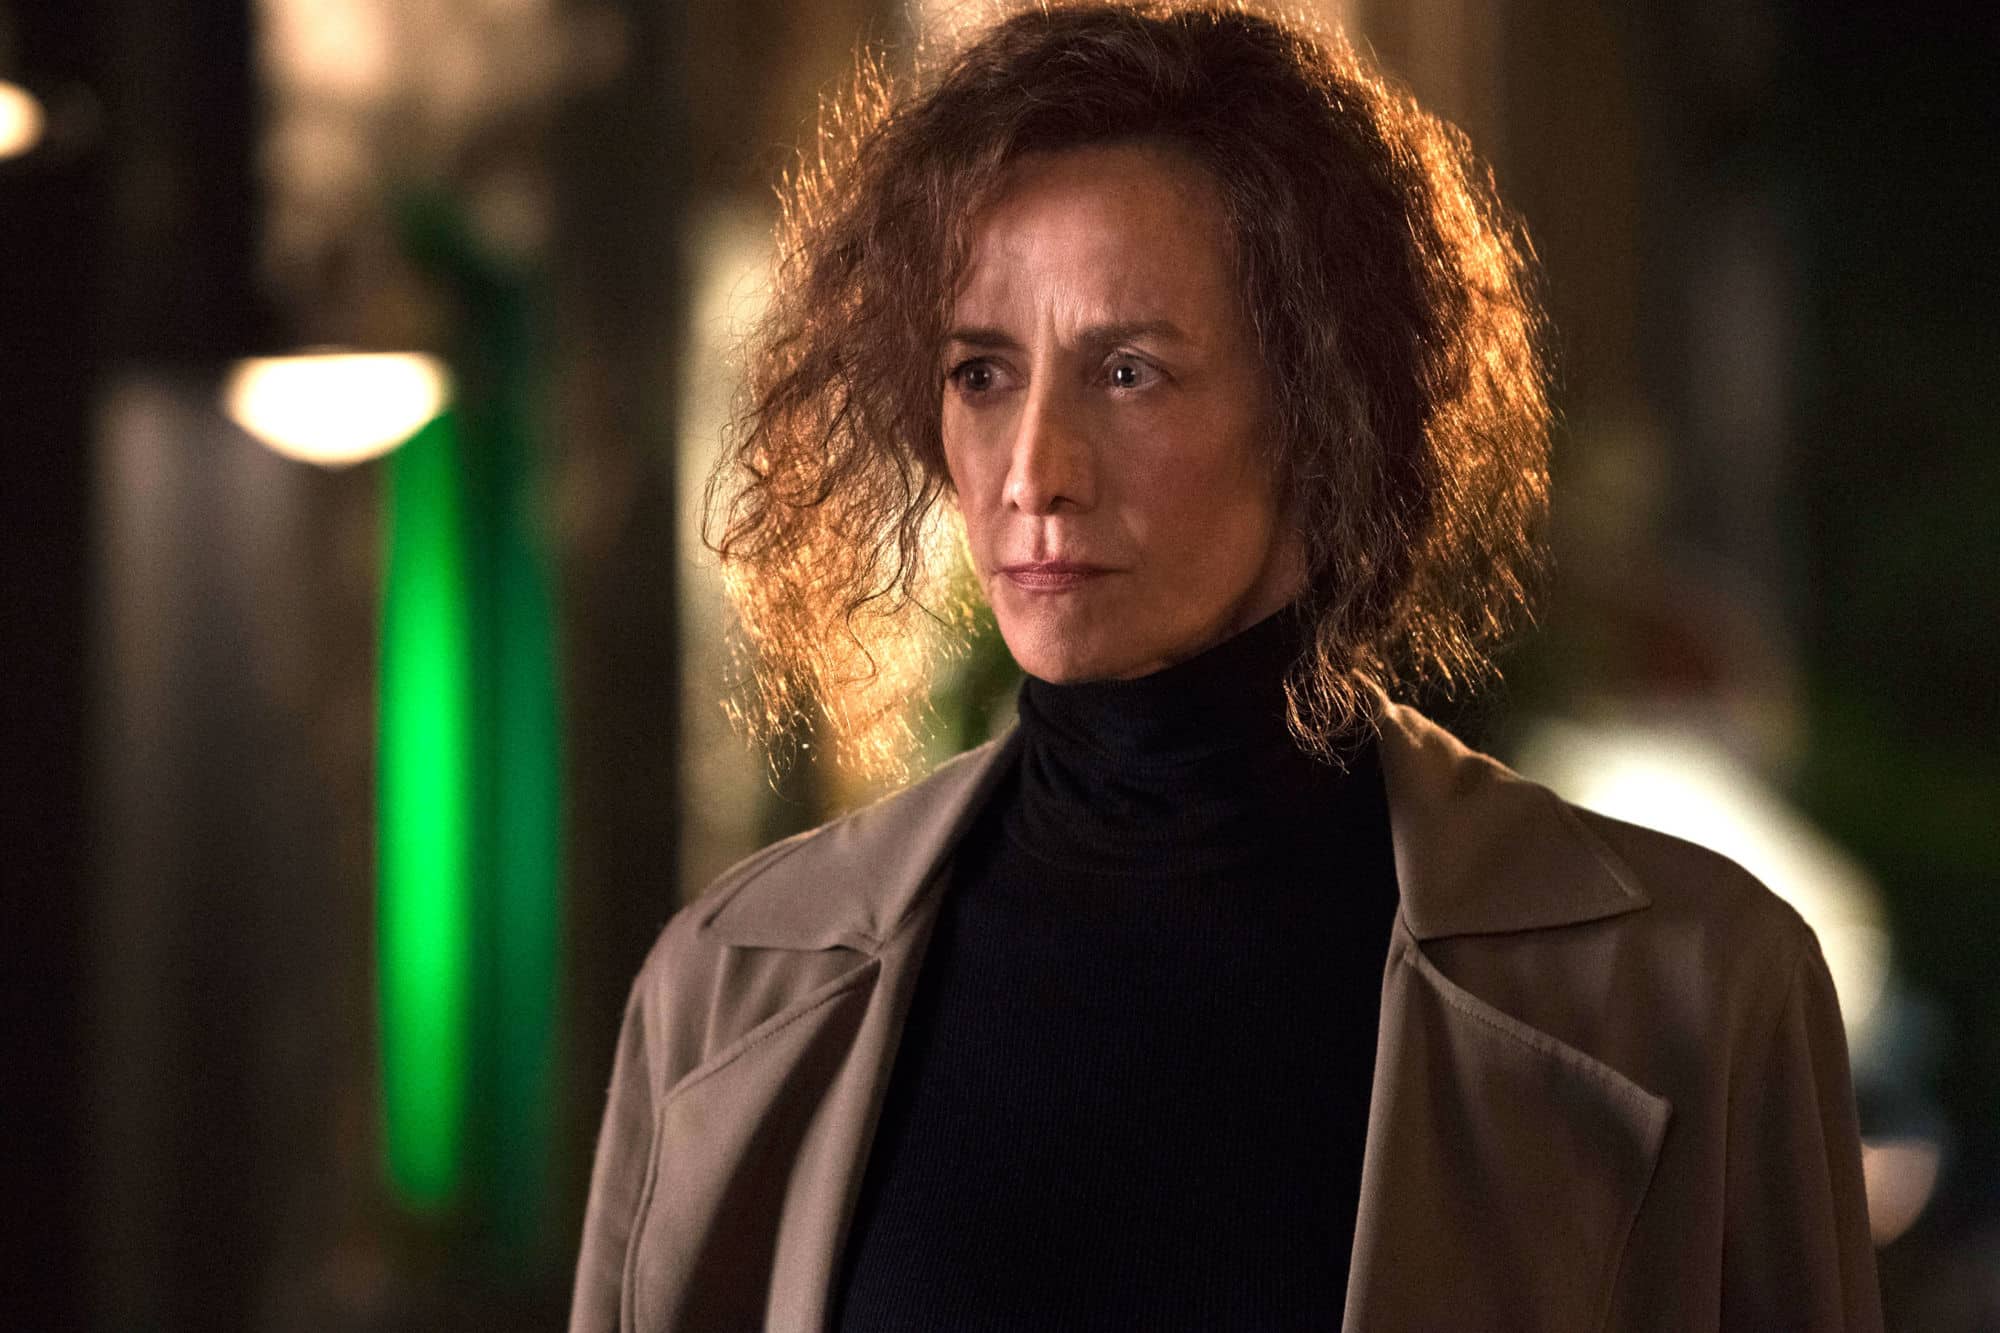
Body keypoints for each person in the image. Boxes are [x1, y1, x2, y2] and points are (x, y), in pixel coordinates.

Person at [570, 4, 1881, 1329]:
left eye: (1128, 371)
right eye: (981, 373)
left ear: (1326, 404)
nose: (1033, 473)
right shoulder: (734, 985)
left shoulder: (1692, 990)